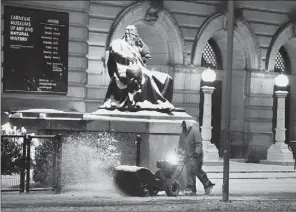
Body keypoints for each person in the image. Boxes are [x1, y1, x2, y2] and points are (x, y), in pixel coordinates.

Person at [99, 25, 174, 111]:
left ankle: (162, 102)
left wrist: (141, 47)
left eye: (135, 36)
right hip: (125, 70)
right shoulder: (118, 42)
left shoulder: (135, 47)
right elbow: (115, 51)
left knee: (167, 78)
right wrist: (126, 56)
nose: (134, 38)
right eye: (133, 36)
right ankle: (155, 102)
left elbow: (147, 55)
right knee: (146, 76)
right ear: (128, 34)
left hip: (140, 69)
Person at [177, 120, 215, 195]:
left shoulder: (195, 132)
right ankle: (207, 185)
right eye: (182, 127)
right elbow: (181, 145)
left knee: (192, 171)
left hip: (196, 155)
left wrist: (196, 153)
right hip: (188, 155)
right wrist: (179, 152)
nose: (183, 129)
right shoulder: (182, 134)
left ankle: (191, 189)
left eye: (184, 127)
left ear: (188, 126)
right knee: (195, 171)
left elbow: (199, 144)